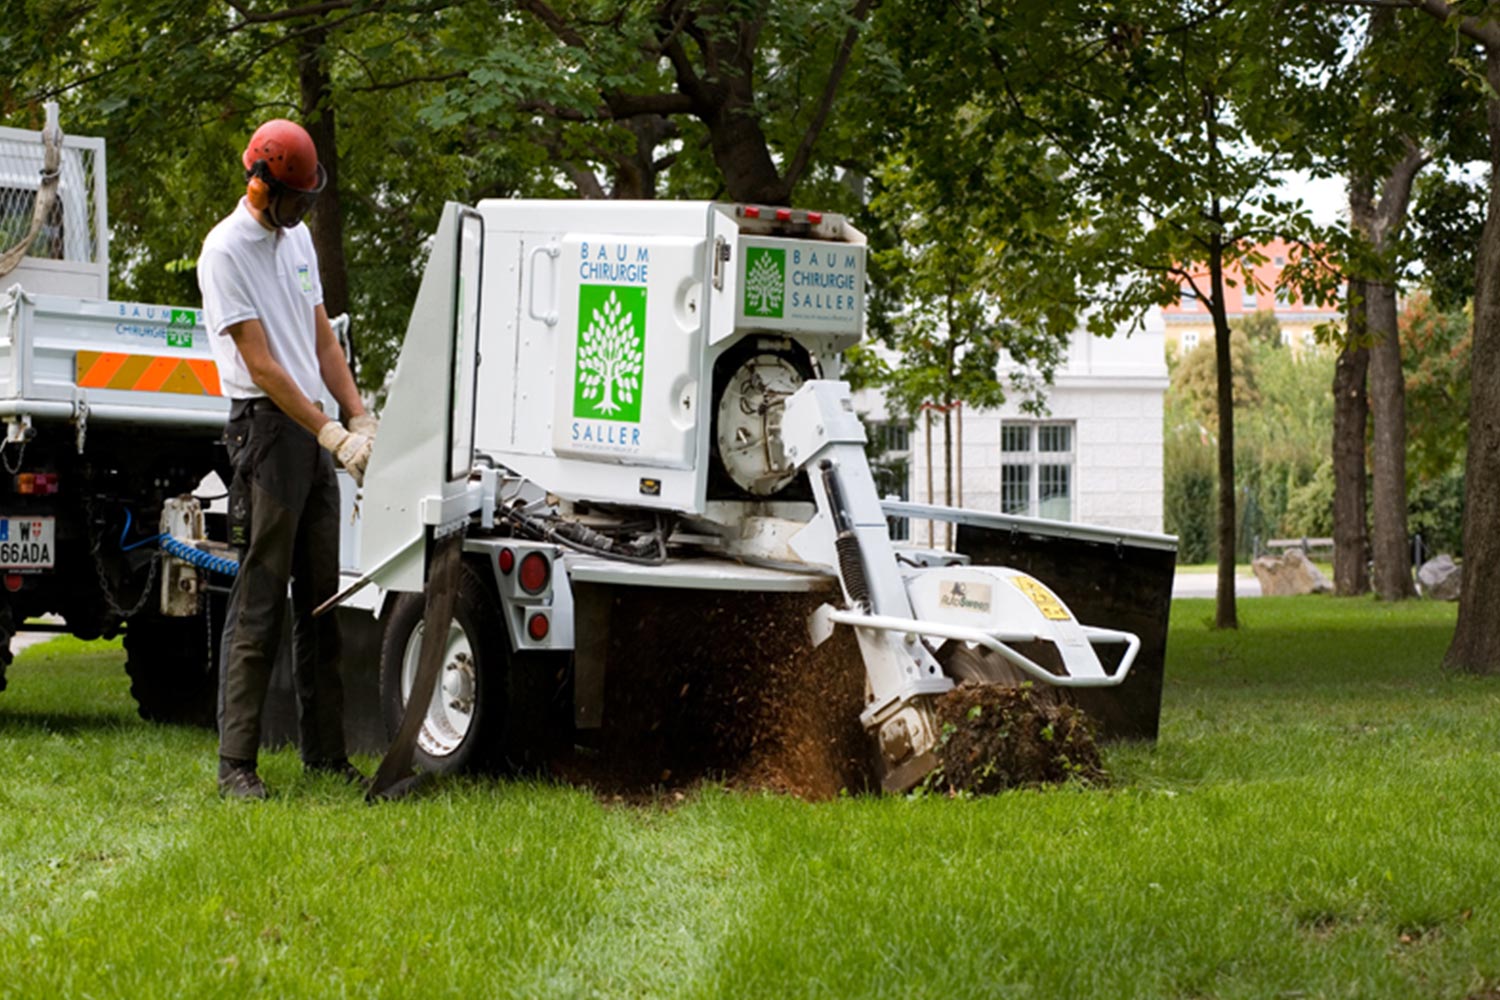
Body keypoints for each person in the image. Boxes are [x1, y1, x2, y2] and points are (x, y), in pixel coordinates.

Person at [197, 118, 376, 799]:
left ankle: (325, 756)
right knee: (260, 600)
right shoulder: (224, 251)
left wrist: (356, 414)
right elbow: (263, 365)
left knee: (322, 602)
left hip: (313, 432)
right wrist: (330, 435)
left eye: (308, 200)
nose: (303, 212)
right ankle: (235, 765)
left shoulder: (296, 238)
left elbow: (322, 339)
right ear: (262, 185)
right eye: (295, 199)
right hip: (267, 435)